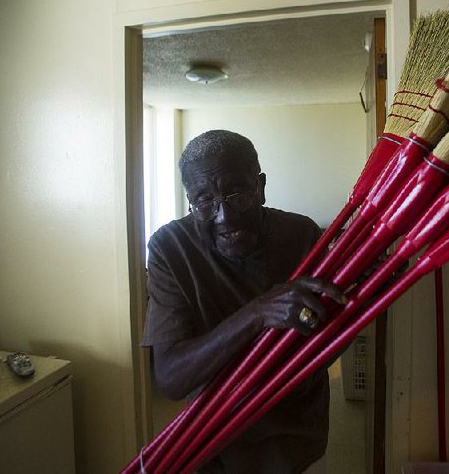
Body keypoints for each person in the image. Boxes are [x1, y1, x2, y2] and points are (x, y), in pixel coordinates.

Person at [142, 129, 344, 473]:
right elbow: (171, 378)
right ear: (190, 199)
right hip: (211, 443)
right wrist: (259, 313)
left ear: (260, 187)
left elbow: (332, 336)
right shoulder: (169, 248)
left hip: (295, 440)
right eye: (204, 201)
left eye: (236, 194)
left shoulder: (302, 234)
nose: (224, 217)